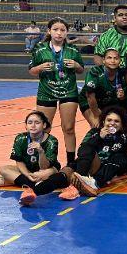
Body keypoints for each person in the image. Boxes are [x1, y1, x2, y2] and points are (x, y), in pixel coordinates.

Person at [29, 18, 85, 166]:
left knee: (68, 128)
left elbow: (81, 70)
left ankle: (71, 163)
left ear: (66, 32)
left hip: (68, 92)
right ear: (49, 31)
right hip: (47, 92)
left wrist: (76, 64)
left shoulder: (73, 50)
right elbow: (31, 70)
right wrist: (40, 67)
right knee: (44, 128)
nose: (59, 33)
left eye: (62, 30)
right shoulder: (39, 49)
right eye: (55, 29)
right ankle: (46, 161)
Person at [0, 111, 74, 206]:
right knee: (2, 170)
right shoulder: (20, 138)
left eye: (37, 122)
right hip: (28, 169)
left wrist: (41, 151)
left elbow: (45, 166)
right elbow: (19, 162)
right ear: (26, 126)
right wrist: (27, 174)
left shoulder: (51, 141)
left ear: (44, 125)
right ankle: (38, 183)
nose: (33, 125)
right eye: (30, 122)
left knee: (46, 173)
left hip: (47, 169)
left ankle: (27, 183)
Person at [71, 106, 127, 197]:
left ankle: (91, 183)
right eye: (109, 120)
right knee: (66, 171)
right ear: (103, 122)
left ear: (121, 125)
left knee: (120, 157)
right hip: (86, 166)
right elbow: (82, 150)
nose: (112, 123)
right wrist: (99, 137)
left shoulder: (124, 138)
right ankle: (78, 181)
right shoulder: (93, 132)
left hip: (102, 170)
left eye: (116, 121)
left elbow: (120, 161)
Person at [78, 48, 127, 128]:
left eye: (116, 58)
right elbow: (90, 97)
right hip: (90, 102)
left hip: (109, 102)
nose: (112, 61)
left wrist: (122, 97)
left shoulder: (122, 74)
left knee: (118, 126)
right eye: (109, 58)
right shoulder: (95, 72)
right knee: (98, 126)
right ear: (103, 60)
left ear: (120, 61)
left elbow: (125, 98)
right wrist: (97, 116)